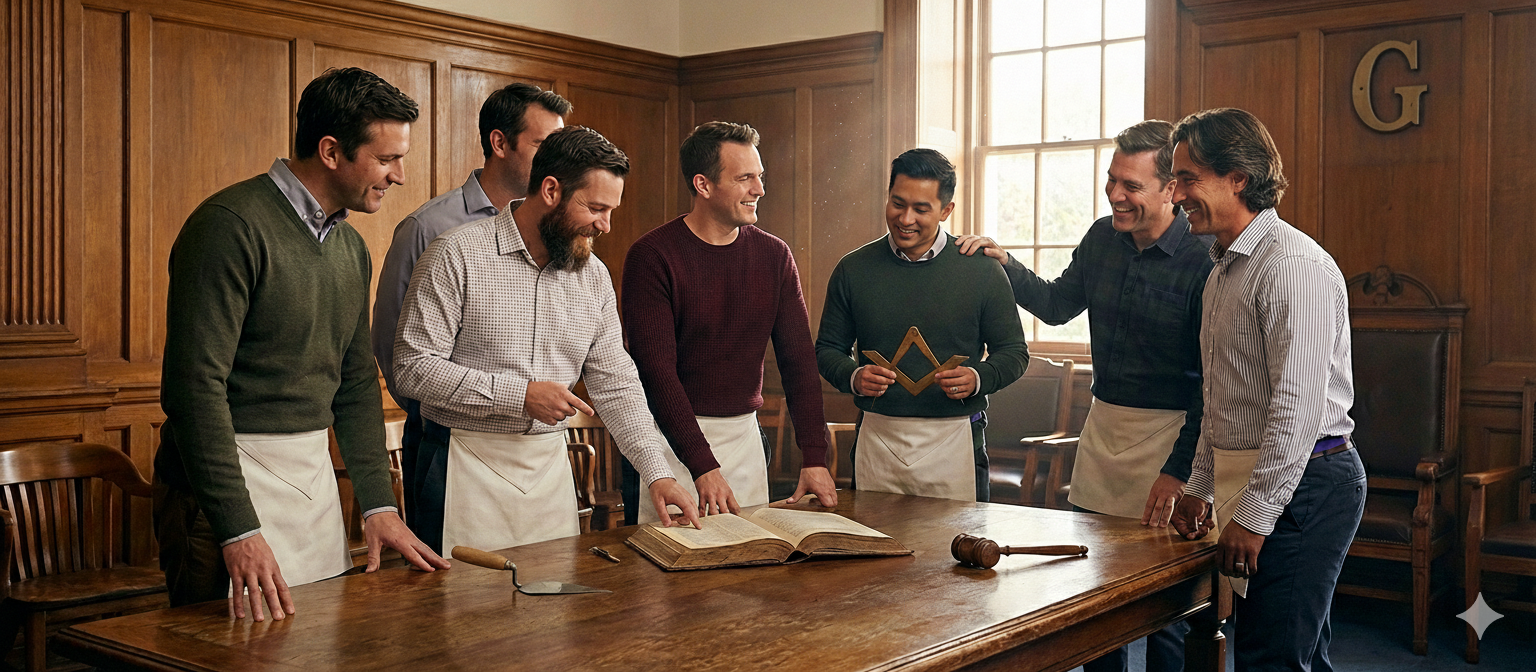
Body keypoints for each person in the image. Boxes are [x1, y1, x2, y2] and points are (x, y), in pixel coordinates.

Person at [156, 67, 448, 622]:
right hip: (220, 500)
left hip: (310, 490)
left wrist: (379, 504)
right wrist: (238, 528)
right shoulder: (228, 226)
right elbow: (195, 391)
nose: (400, 176)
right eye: (387, 159)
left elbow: (358, 383)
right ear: (332, 151)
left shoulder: (350, 248)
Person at [957, 120, 1211, 672]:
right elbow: (1055, 304)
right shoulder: (1102, 237)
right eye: (1112, 181)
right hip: (1104, 428)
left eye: (1133, 186)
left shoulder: (1205, 257)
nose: (1117, 195)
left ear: (1172, 189)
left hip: (1173, 437)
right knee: (1097, 592)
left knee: (1167, 603)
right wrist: (1006, 265)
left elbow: (1209, 390)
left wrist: (1181, 469)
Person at [393, 125, 701, 554]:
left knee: (552, 616)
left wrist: (658, 472)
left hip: (551, 475)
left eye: (611, 210)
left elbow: (617, 384)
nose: (606, 225)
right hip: (460, 466)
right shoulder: (455, 254)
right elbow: (411, 369)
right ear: (551, 190)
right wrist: (518, 395)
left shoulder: (594, 277)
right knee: (457, 615)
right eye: (595, 207)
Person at [1167, 108, 1364, 671]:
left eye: (1187, 178)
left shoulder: (1291, 264)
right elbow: (1221, 399)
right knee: (1290, 654)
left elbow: (1297, 409)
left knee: (1272, 660)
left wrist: (1253, 516)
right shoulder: (1223, 269)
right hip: (1263, 476)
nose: (1176, 193)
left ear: (1239, 178)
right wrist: (1199, 486)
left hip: (1307, 485)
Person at [372, 83, 569, 531]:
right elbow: (393, 347)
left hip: (536, 451)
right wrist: (446, 414)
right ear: (499, 143)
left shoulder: (561, 235)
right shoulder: (428, 228)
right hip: (444, 443)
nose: (558, 162)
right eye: (543, 146)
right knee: (448, 591)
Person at [619, 121, 838, 523]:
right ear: (703, 185)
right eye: (745, 179)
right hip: (669, 448)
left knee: (748, 578)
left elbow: (799, 362)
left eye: (760, 176)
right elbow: (657, 374)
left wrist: (814, 456)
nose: (760, 189)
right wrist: (703, 465)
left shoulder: (775, 256)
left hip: (745, 441)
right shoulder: (652, 257)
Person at [815, 149, 1029, 502]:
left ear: (946, 210)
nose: (905, 218)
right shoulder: (852, 269)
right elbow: (827, 349)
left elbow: (1015, 352)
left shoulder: (982, 270)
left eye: (921, 208)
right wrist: (854, 376)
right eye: (897, 203)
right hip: (877, 436)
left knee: (957, 553)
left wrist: (978, 378)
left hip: (956, 438)